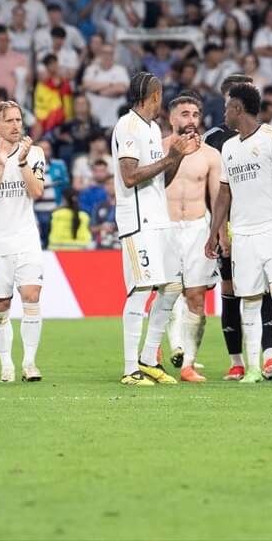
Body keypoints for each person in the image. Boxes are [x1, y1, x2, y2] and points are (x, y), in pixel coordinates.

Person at [208, 82, 272, 383]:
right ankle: (251, 368)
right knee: (249, 300)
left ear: (238, 109)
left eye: (227, 107)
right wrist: (215, 232)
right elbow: (224, 194)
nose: (224, 112)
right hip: (243, 234)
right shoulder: (230, 147)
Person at [114, 72, 189, 386]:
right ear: (153, 95)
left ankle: (148, 359)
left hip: (160, 220)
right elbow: (130, 176)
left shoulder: (154, 128)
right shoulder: (127, 126)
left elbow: (161, 179)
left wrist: (178, 158)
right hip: (138, 222)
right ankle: (130, 368)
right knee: (141, 291)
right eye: (160, 95)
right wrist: (170, 156)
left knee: (172, 287)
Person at [0, 99, 49, 382]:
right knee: (1, 306)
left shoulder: (35, 152)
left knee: (31, 296)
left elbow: (37, 190)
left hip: (26, 238)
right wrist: (1, 167)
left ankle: (29, 362)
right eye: (10, 120)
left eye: (19, 120)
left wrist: (23, 161)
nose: (17, 125)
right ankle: (6, 363)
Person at [157, 94, 220, 382]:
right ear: (171, 119)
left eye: (195, 114)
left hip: (197, 228)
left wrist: (219, 233)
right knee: (168, 292)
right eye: (184, 114)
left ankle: (188, 364)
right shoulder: (157, 151)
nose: (191, 120)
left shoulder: (210, 155)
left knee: (196, 296)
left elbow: (218, 198)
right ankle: (164, 348)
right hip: (166, 228)